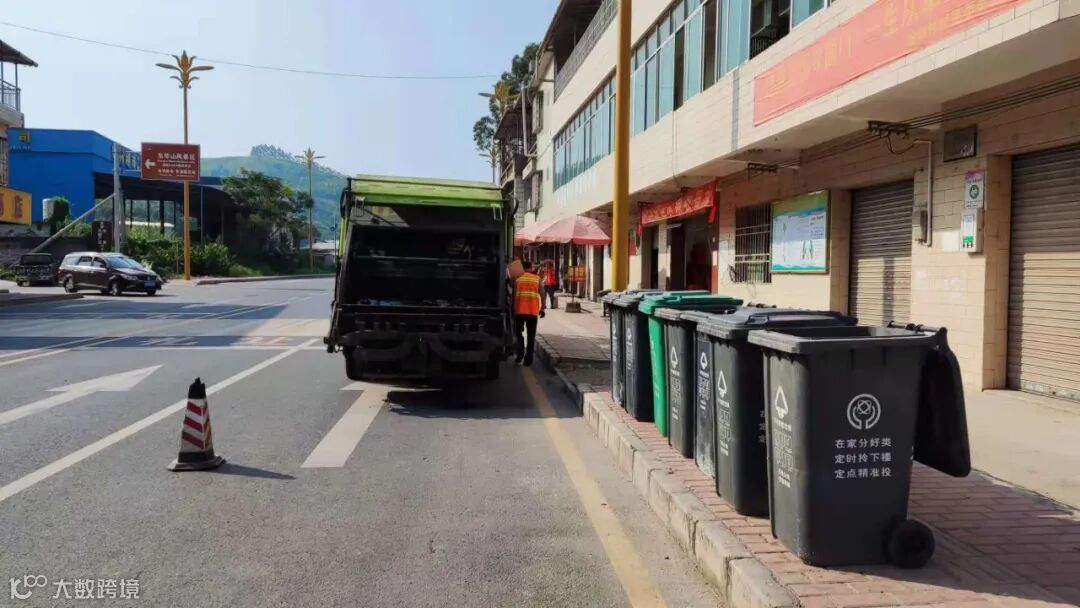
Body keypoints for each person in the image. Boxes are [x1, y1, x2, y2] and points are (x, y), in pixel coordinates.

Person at [512, 260, 546, 366]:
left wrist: (513, 309)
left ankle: (520, 353)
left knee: (518, 333)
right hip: (532, 311)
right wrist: (543, 308)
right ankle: (528, 359)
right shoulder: (537, 279)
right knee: (531, 336)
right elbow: (543, 294)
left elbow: (513, 295)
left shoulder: (517, 279)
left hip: (519, 311)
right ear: (531, 267)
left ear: (522, 268)